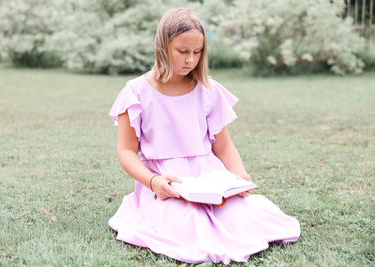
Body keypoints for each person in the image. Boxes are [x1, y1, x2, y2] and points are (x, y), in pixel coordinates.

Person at [108, 7, 300, 264]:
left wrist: (239, 176)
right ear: (163, 46)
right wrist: (154, 182)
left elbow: (224, 146)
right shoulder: (136, 92)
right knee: (186, 225)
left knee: (240, 218)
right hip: (166, 181)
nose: (190, 59)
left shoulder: (208, 90)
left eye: (197, 52)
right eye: (183, 51)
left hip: (209, 177)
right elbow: (126, 151)